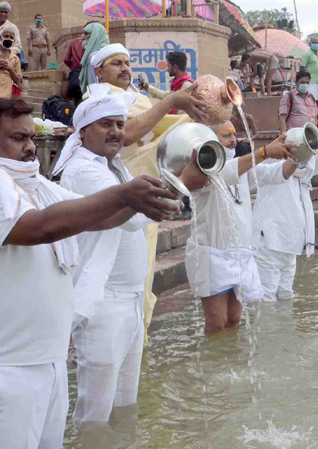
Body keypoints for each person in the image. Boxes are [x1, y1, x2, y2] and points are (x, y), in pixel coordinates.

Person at [0, 97, 180, 449]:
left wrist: (162, 191)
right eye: (17, 137)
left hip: (49, 358)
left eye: (32, 137)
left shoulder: (36, 185)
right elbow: (40, 228)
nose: (29, 146)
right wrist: (125, 194)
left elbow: (98, 216)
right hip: (6, 365)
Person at [59, 85, 207, 424]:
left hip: (129, 298)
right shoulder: (83, 169)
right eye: (105, 124)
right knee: (95, 409)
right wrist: (182, 181)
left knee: (126, 402)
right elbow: (133, 217)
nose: (115, 132)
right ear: (83, 130)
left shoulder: (115, 166)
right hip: (103, 300)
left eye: (118, 124)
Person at [55, 43, 207, 342]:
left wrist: (200, 113)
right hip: (121, 193)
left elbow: (165, 125)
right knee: (108, 276)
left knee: (142, 275)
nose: (125, 68)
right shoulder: (96, 98)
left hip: (140, 186)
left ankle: (140, 339)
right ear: (98, 71)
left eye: (127, 62)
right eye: (116, 63)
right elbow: (131, 134)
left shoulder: (137, 98)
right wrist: (180, 183)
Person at [185, 122, 297, 335]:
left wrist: (298, 156)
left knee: (234, 320)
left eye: (234, 134)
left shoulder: (242, 167)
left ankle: (233, 363)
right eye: (226, 135)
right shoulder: (203, 167)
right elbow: (223, 172)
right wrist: (263, 152)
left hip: (241, 253)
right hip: (213, 255)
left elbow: (277, 173)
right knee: (217, 323)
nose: (233, 139)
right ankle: (215, 366)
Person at [252, 131, 318, 302]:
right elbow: (284, 170)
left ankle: (283, 329)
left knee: (286, 295)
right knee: (266, 298)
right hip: (269, 244)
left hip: (291, 245)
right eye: (304, 148)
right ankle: (266, 328)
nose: (310, 155)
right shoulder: (269, 166)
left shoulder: (305, 169)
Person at [79, 22, 109, 94]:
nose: (83, 37)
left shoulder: (94, 56)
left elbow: (93, 83)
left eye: (86, 34)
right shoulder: (107, 51)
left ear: (95, 35)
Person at [299, 36, 318, 104]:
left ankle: (317, 114)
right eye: (313, 42)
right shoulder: (307, 53)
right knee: (311, 101)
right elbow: (302, 67)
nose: (315, 44)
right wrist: (305, 79)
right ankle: (311, 115)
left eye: (317, 43)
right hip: (312, 81)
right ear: (310, 44)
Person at [63, 27, 87, 105]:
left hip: (76, 74)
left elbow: (66, 59)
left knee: (78, 101)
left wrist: (73, 67)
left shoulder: (74, 42)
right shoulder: (92, 44)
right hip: (86, 75)